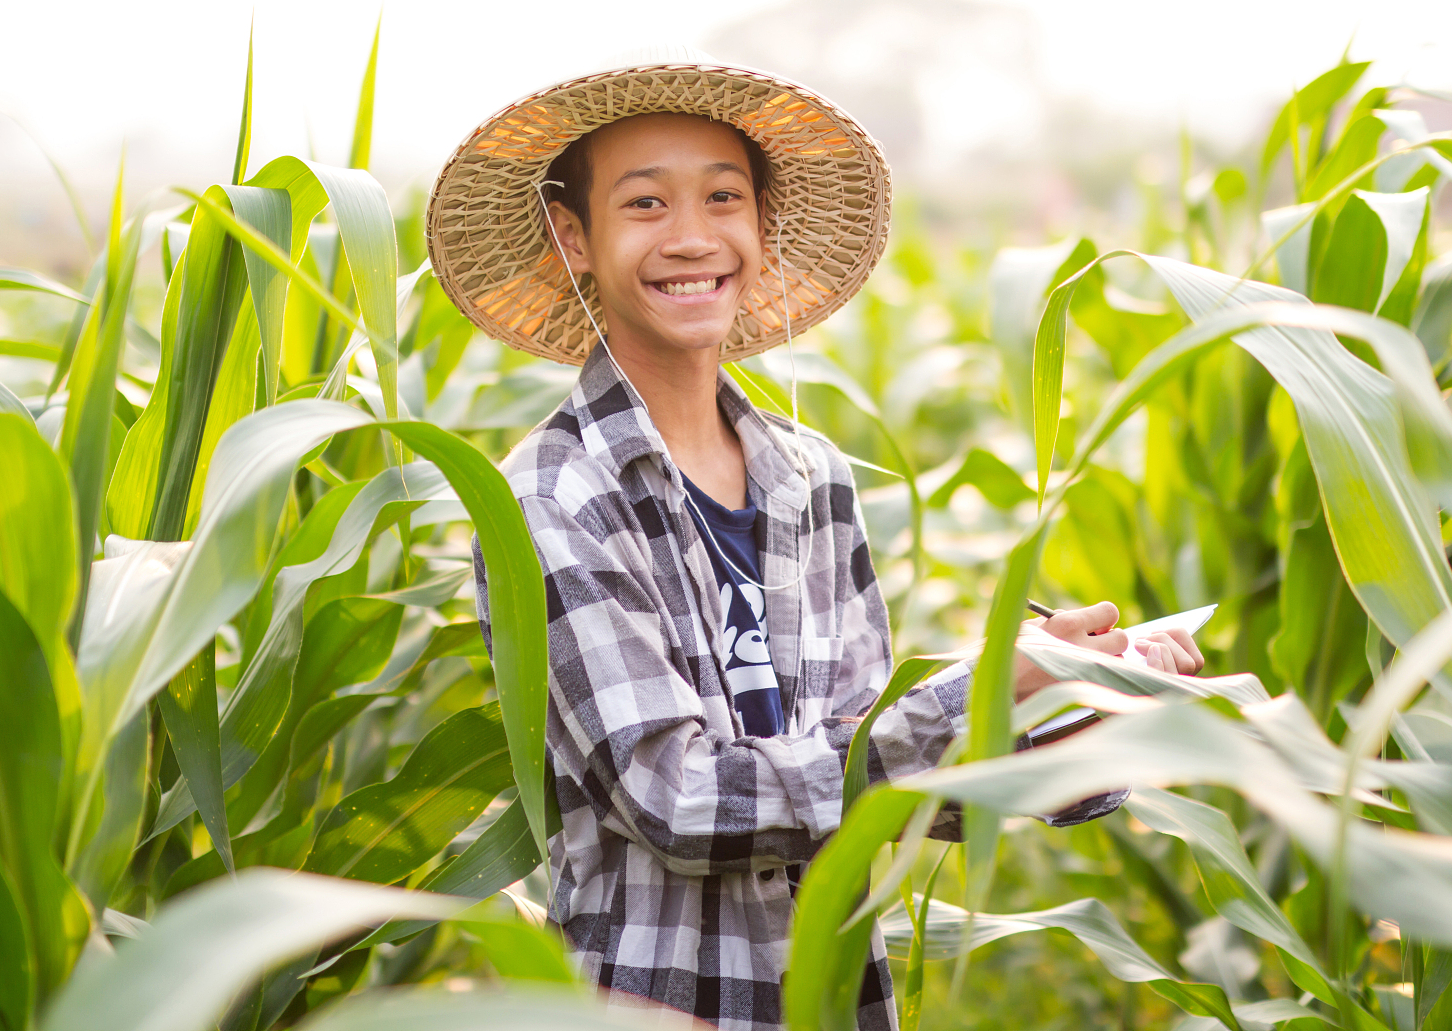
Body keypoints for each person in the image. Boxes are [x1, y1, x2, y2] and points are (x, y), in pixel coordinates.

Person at [433, 51, 1203, 1031]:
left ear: (759, 224)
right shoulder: (550, 495)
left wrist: (1077, 711)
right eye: (643, 205)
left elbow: (870, 778)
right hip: (649, 1003)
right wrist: (985, 685)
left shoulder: (812, 479)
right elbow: (673, 796)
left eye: (722, 196)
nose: (692, 237)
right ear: (573, 235)